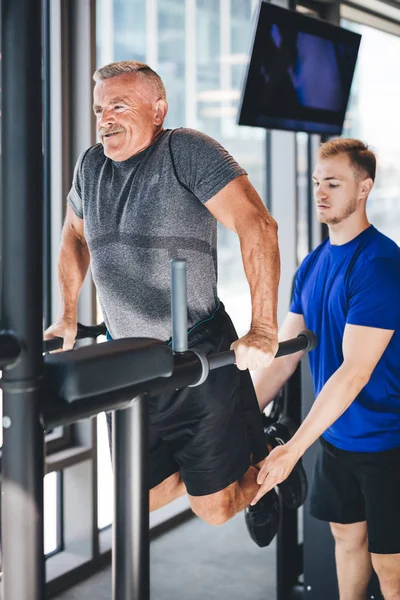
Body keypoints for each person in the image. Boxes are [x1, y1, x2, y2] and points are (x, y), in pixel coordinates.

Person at [44, 60, 281, 544]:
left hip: (196, 349)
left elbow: (257, 224)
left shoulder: (186, 151)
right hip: (128, 360)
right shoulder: (91, 166)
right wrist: (67, 316)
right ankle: (239, 451)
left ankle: (264, 473)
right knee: (140, 497)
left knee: (212, 510)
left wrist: (264, 328)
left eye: (119, 105)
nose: (105, 118)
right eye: (99, 108)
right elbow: (74, 235)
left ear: (158, 109)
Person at [252, 138, 400, 598]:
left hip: (388, 441)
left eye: (333, 183)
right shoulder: (312, 266)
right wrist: (233, 417)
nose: (320, 192)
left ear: (363, 188)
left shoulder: (380, 265)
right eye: (317, 182)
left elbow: (354, 372)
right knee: (346, 538)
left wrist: (294, 448)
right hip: (337, 438)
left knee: (389, 565)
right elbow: (285, 356)